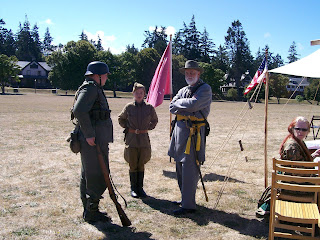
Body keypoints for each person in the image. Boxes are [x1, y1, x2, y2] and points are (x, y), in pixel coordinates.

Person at [168, 60, 212, 215]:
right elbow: (172, 107)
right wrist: (184, 105)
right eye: (187, 72)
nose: (189, 75)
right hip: (179, 132)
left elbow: (195, 105)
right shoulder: (182, 90)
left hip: (193, 135)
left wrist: (182, 104)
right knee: (179, 167)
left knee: (190, 168)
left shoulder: (205, 89)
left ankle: (188, 205)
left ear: (198, 73)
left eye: (192, 72)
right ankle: (184, 199)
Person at [72, 61, 113, 223]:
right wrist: (89, 135)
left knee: (89, 174)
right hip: (92, 140)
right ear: (98, 76)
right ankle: (91, 211)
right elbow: (79, 110)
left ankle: (89, 210)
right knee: (95, 174)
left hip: (95, 139)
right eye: (106, 76)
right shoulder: (90, 88)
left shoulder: (92, 87)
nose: (107, 79)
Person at [256, 116, 320, 217]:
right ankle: (313, 220)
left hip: (292, 181)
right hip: (292, 187)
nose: (300, 132)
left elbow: (299, 165)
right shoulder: (292, 146)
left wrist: (312, 156)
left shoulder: (297, 141)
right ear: (292, 128)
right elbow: (297, 173)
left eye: (304, 129)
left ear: (308, 131)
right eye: (298, 129)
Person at [118, 82, 158, 198]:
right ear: (133, 94)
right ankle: (133, 188)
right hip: (131, 139)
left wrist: (148, 128)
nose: (139, 95)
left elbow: (155, 120)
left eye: (141, 93)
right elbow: (121, 119)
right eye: (137, 93)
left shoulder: (149, 108)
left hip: (144, 139)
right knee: (133, 163)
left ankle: (140, 188)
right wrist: (128, 127)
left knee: (141, 164)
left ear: (144, 94)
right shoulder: (129, 107)